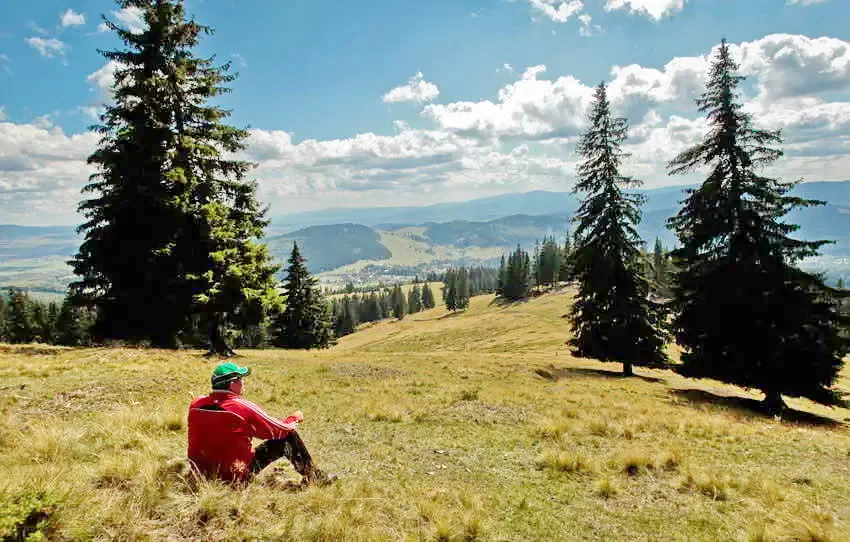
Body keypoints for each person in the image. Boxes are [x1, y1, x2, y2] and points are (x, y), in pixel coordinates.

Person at [187, 362, 335, 486]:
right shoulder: (242, 407)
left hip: (200, 475)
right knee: (288, 437)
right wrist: (294, 418)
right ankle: (313, 477)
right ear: (233, 384)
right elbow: (281, 430)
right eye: (241, 379)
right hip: (233, 478)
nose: (243, 382)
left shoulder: (195, 404)